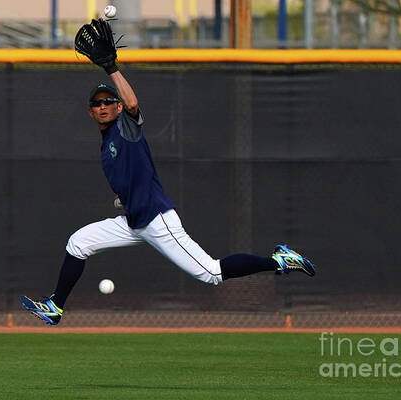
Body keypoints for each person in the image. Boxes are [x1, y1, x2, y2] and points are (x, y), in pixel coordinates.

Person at [19, 19, 315, 325]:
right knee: (78, 243)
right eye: (97, 103)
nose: (104, 106)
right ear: (90, 111)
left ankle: (278, 261)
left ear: (118, 108)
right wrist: (123, 200)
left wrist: (111, 68)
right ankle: (55, 307)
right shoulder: (106, 146)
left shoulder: (126, 129)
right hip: (135, 221)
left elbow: (132, 103)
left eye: (109, 101)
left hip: (157, 220)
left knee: (212, 272)